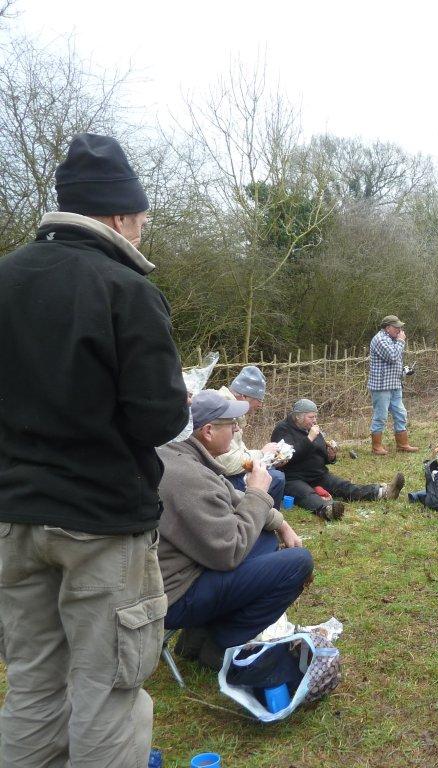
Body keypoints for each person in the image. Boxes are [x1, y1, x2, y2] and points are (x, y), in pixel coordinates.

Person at [0, 133, 189, 767]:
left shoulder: (5, 278)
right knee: (108, 689)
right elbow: (159, 418)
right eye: (140, 219)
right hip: (101, 524)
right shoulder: (125, 289)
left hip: (14, 517)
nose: (143, 231)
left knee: (31, 685)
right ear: (115, 215)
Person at [157, 391, 310, 668]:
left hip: (181, 571)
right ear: (208, 431)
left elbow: (233, 497)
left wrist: (281, 523)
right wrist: (259, 492)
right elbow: (229, 551)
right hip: (174, 596)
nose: (238, 429)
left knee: (264, 538)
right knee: (297, 563)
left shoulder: (182, 457)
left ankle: (196, 636)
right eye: (231, 424)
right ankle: (220, 645)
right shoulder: (190, 478)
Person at [273, 399, 405, 519]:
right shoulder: (282, 430)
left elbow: (319, 452)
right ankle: (328, 510)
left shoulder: (311, 428)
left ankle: (383, 492)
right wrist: (309, 439)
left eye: (316, 416)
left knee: (343, 486)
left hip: (318, 474)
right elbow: (286, 458)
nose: (315, 420)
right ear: (298, 417)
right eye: (311, 417)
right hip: (294, 477)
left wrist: (330, 456)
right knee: (306, 495)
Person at [217, 365, 287, 509]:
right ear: (244, 396)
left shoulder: (233, 410)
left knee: (272, 472)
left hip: (226, 473)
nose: (261, 405)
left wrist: (267, 460)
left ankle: (265, 518)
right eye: (258, 399)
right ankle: (262, 523)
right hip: (220, 479)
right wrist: (262, 453)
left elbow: (239, 452)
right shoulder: (223, 410)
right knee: (276, 478)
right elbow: (227, 464)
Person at [368, 314, 419, 455]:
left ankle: (402, 444)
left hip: (395, 384)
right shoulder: (380, 339)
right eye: (396, 327)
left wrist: (403, 371)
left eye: (400, 327)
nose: (399, 330)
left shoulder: (392, 339)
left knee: (400, 413)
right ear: (387, 327)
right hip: (381, 386)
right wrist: (401, 341)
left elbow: (393, 362)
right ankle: (376, 447)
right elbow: (392, 357)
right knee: (381, 416)